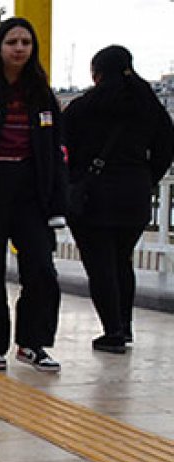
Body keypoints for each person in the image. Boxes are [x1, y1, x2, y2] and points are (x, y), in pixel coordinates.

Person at [0, 18, 68, 373]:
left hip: (30, 192)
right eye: (12, 42)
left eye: (26, 42)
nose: (19, 48)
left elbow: (56, 151)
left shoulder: (41, 95)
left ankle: (33, 342)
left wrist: (57, 200)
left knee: (41, 268)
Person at [63, 45, 174, 353]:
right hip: (135, 194)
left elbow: (63, 149)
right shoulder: (149, 105)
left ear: (97, 73)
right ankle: (124, 326)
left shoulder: (83, 107)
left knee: (100, 265)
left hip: (93, 197)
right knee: (122, 261)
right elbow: (166, 147)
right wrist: (145, 177)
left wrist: (74, 181)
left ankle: (112, 330)